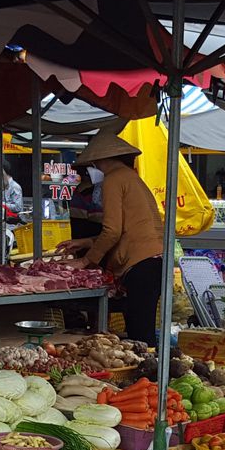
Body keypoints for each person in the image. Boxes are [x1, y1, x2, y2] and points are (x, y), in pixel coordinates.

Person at [60, 134, 166, 346]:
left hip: (141, 265)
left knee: (140, 334)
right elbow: (126, 229)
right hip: (152, 261)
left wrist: (84, 261)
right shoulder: (130, 177)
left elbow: (112, 231)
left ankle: (151, 377)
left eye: (94, 163)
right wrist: (84, 242)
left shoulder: (113, 180)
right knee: (141, 330)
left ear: (101, 160)